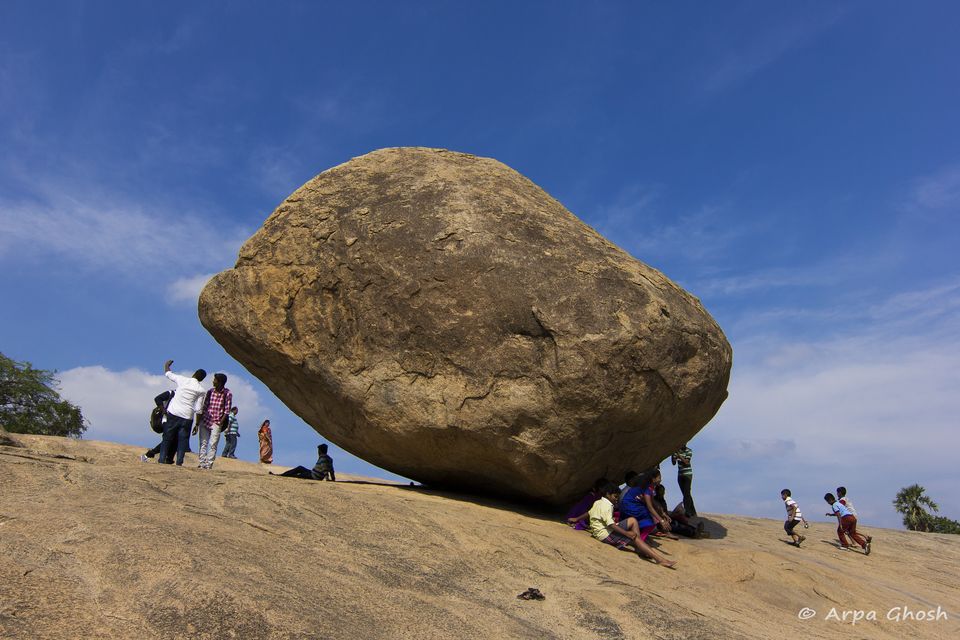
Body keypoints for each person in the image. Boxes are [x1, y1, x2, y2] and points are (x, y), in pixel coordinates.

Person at [587, 482, 676, 569]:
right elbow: (611, 525)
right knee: (634, 537)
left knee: (633, 521)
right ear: (608, 494)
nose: (617, 499)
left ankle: (639, 547)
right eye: (615, 496)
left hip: (601, 531)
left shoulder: (598, 502)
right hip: (605, 534)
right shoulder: (607, 505)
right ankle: (660, 560)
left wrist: (576, 519)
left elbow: (589, 513)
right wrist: (626, 533)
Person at [158, 360, 206, 466]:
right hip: (187, 417)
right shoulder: (201, 390)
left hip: (174, 413)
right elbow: (199, 409)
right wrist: (197, 424)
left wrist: (166, 365)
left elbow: (168, 374)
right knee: (182, 440)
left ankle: (161, 460)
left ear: (194, 374)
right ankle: (179, 462)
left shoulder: (182, 380)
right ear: (202, 379)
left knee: (167, 438)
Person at [194, 373, 232, 470]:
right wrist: (198, 422)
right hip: (206, 419)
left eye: (215, 380)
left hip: (217, 421)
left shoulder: (227, 393)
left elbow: (227, 410)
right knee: (203, 442)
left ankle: (208, 464)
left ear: (220, 382)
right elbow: (205, 406)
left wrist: (220, 422)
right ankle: (202, 463)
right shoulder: (210, 391)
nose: (213, 381)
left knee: (213, 443)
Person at [271, 444, 337, 481]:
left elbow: (325, 469)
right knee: (300, 468)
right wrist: (333, 478)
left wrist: (327, 478)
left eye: (318, 450)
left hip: (314, 476)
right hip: (313, 473)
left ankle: (282, 475)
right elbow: (331, 470)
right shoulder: (329, 458)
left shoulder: (323, 458)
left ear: (320, 451)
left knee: (297, 476)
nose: (318, 452)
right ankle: (282, 474)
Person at [670, 444, 697, 517]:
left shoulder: (689, 451)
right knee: (686, 493)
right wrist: (672, 454)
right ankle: (693, 511)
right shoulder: (676, 451)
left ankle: (687, 511)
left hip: (688, 474)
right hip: (680, 474)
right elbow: (673, 463)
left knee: (686, 493)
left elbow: (686, 462)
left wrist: (678, 454)